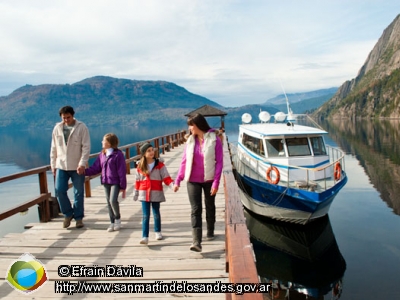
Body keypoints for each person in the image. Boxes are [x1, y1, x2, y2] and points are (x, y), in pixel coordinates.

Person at [173, 113, 223, 252]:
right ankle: (196, 242)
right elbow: (184, 161)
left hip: (209, 179)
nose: (189, 128)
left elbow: (219, 162)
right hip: (192, 180)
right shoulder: (190, 141)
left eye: (191, 125)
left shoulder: (214, 139)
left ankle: (211, 230)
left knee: (210, 205)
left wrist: (216, 183)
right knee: (195, 210)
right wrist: (178, 180)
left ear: (198, 125)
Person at [50, 106, 91, 229]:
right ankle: (68, 214)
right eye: (64, 118)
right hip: (61, 165)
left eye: (68, 117)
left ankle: (78, 218)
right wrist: (53, 165)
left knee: (78, 192)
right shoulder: (57, 128)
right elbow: (53, 148)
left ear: (73, 115)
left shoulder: (81, 127)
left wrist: (82, 163)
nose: (66, 120)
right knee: (59, 190)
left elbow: (86, 147)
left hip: (77, 165)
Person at [85, 133, 127, 232]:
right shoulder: (102, 154)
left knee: (113, 201)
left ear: (109, 143)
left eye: (104, 141)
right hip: (105, 181)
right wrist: (84, 172)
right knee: (108, 202)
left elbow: (122, 171)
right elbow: (96, 168)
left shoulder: (118, 155)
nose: (102, 142)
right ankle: (112, 222)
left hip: (115, 181)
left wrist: (123, 186)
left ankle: (117, 219)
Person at [133, 142, 174, 245]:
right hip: (144, 193)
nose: (152, 152)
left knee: (156, 213)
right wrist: (136, 192)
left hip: (156, 192)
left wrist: (172, 185)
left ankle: (157, 231)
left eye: (152, 150)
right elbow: (137, 180)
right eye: (148, 151)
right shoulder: (140, 166)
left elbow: (166, 177)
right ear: (144, 154)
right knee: (145, 215)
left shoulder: (160, 165)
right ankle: (145, 236)